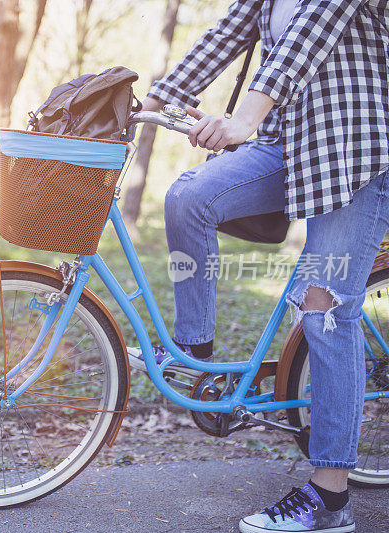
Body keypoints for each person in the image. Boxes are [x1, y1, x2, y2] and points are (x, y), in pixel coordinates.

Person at [134, 1, 389, 532]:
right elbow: (225, 35)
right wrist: (149, 102)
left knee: (324, 311)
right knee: (190, 197)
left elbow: (303, 45)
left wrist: (243, 119)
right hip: (286, 146)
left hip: (353, 153)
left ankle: (330, 498)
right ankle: (195, 349)